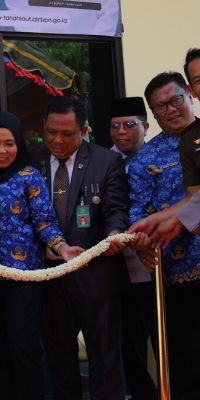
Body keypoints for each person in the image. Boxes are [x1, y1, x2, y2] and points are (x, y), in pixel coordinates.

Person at [29, 96, 130, 400]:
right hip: (48, 277)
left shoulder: (105, 161)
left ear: (83, 131)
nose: (57, 141)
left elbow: (116, 210)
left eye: (67, 134)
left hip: (95, 273)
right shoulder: (29, 160)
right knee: (58, 359)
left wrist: (115, 233)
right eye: (50, 132)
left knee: (105, 358)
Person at [0, 111, 82, 399]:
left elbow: (44, 221)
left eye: (9, 143)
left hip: (24, 277)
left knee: (24, 347)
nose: (1, 150)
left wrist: (62, 248)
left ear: (19, 144)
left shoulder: (29, 175)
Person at [128, 71, 200, 399]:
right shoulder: (146, 158)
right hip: (176, 280)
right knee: (184, 368)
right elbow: (137, 212)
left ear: (189, 94)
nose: (170, 110)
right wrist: (141, 241)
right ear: (153, 116)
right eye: (160, 107)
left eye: (175, 100)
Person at [108, 96, 158, 400]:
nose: (122, 132)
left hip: (160, 265)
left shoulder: (158, 157)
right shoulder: (101, 161)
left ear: (145, 126)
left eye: (130, 125)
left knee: (169, 339)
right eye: (115, 126)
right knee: (128, 343)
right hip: (119, 269)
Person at [148, 48, 200, 244]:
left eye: (175, 101)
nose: (171, 110)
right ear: (192, 90)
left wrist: (178, 221)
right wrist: (152, 221)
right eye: (198, 81)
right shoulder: (190, 139)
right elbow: (194, 198)